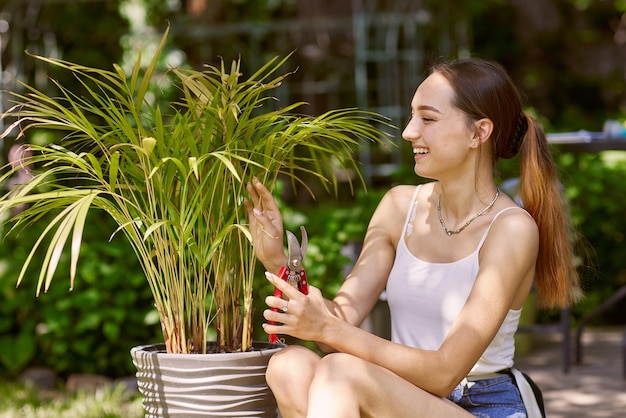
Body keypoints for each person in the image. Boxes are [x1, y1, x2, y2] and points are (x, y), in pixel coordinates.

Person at [244, 57, 580, 418]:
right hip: (400, 395)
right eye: (412, 116)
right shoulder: (399, 207)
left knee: (341, 371)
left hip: (480, 404)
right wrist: (277, 261)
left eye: (428, 119)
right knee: (289, 365)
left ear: (478, 132)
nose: (408, 132)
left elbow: (443, 373)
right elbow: (340, 319)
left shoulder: (511, 229)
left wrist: (329, 328)